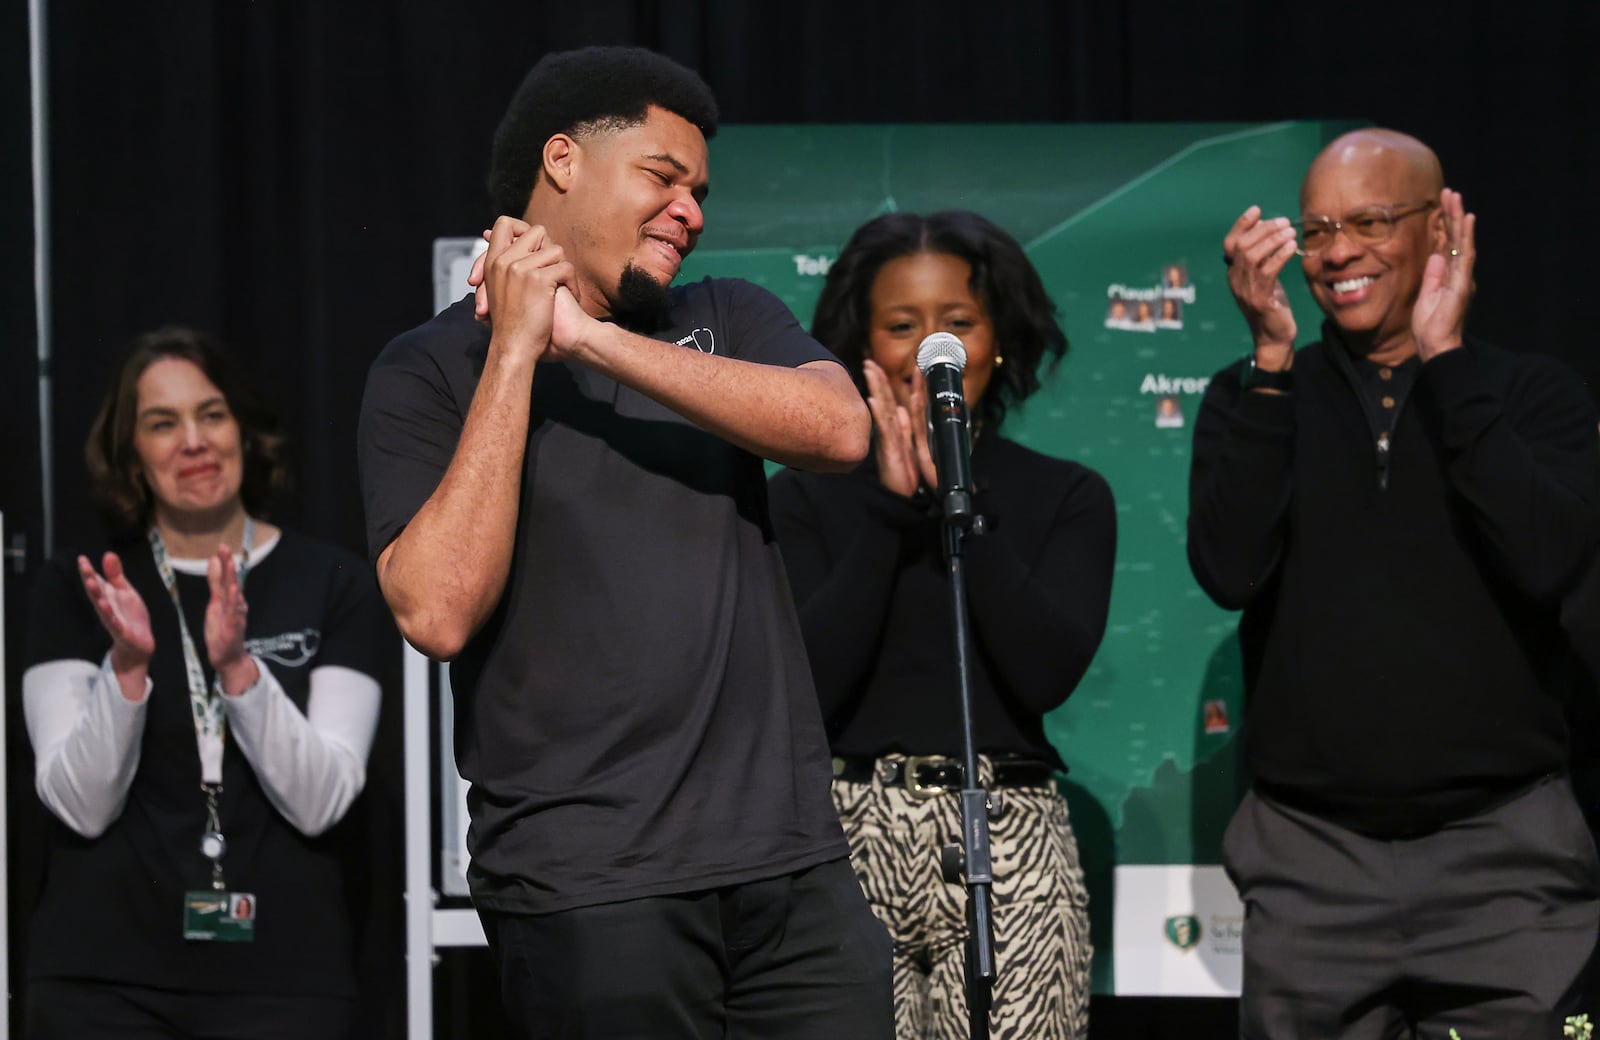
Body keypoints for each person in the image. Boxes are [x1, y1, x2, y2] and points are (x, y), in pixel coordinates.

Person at [356, 45, 890, 1038]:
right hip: (592, 887)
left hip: (794, 874)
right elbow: (436, 608)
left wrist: (589, 336)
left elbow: (839, 428)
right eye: (662, 176)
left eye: (698, 191)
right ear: (562, 160)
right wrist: (518, 346)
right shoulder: (426, 371)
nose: (690, 210)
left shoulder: (724, 315)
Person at [1190, 128, 1600, 1038]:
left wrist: (1445, 361)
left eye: (1370, 221)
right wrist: (1267, 364)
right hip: (1309, 861)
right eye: (1318, 229)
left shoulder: (1533, 396)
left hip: (1505, 854)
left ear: (1441, 230)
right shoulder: (1251, 397)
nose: (1337, 253)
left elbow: (1553, 560)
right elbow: (1227, 571)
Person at [768, 210, 1115, 1040]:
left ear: (998, 340)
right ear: (861, 346)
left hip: (1012, 836)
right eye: (903, 326)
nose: (933, 348)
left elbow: (1044, 671)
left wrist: (957, 498)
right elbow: (808, 685)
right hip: (846, 830)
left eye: (958, 323)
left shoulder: (1066, 496)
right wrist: (889, 510)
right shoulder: (803, 498)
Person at [21, 327, 388, 1039]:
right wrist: (126, 670)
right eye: (162, 423)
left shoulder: (334, 583)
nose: (193, 441)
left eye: (211, 414)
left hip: (286, 986)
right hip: (102, 987)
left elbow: (322, 803)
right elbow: (80, 805)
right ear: (132, 452)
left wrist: (238, 670)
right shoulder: (83, 587)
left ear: (244, 431)